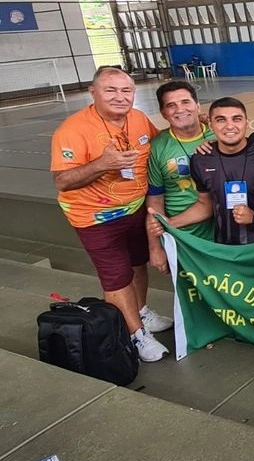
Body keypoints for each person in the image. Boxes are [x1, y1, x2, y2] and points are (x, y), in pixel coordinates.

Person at [49, 66, 171, 362]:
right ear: (93, 93)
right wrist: (102, 164)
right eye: (111, 90)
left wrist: (195, 125)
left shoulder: (138, 118)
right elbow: (62, 181)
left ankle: (140, 310)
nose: (120, 97)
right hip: (96, 217)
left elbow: (160, 145)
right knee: (116, 277)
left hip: (135, 208)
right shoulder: (73, 130)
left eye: (126, 90)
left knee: (138, 263)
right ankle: (135, 335)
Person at [184, 97, 254, 245]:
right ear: (210, 124)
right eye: (221, 120)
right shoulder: (200, 160)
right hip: (224, 249)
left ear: (246, 122)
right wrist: (169, 222)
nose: (230, 126)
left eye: (237, 119)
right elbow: (205, 204)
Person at [146, 81, 215, 277]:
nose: (180, 109)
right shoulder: (158, 147)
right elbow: (155, 200)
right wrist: (156, 247)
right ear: (163, 113)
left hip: (221, 233)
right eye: (171, 105)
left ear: (198, 106)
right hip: (182, 237)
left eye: (185, 102)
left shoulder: (218, 136)